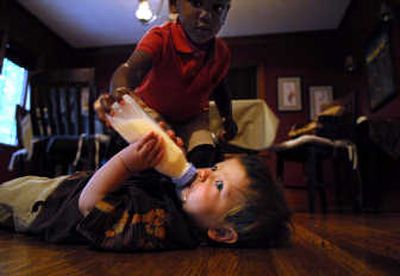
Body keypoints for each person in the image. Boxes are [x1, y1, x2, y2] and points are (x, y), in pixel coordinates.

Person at [0, 132, 291, 250]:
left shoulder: (161, 226)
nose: (205, 172)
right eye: (215, 168)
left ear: (222, 232)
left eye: (218, 184)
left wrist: (129, 160)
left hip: (45, 206)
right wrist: (158, 154)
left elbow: (91, 205)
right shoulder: (180, 201)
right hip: (62, 187)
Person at [98, 0, 238, 168]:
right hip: (153, 110)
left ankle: (190, 191)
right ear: (173, 6)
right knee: (154, 148)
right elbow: (131, 69)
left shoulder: (222, 53)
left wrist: (228, 118)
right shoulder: (161, 37)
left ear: (226, 15)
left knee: (204, 151)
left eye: (218, 8)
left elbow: (220, 89)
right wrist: (120, 90)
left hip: (192, 117)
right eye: (197, 3)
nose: (206, 15)